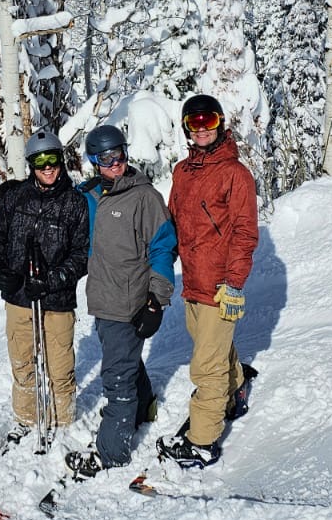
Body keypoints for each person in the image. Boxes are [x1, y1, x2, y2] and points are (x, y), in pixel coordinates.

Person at [66, 123, 177, 478]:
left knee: (116, 377)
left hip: (128, 302)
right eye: (106, 158)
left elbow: (163, 249)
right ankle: (142, 406)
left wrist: (156, 301)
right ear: (93, 161)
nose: (116, 163)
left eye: (120, 155)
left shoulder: (144, 198)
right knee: (124, 360)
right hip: (103, 298)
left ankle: (112, 452)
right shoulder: (93, 196)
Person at [158, 93, 259, 469]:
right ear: (187, 127)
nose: (202, 130)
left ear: (220, 125)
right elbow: (174, 225)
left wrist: (234, 283)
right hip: (193, 286)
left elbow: (245, 233)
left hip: (220, 288)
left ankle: (202, 442)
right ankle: (233, 395)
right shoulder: (182, 172)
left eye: (209, 122)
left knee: (206, 367)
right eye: (195, 123)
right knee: (214, 352)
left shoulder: (236, 174)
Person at [0, 129, 90, 439]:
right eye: (40, 162)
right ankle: (27, 419)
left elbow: (82, 254)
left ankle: (62, 422)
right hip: (18, 297)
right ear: (31, 165)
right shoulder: (15, 197)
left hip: (57, 300)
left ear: (61, 161)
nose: (48, 168)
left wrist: (52, 279)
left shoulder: (74, 204)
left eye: (53, 160)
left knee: (59, 369)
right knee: (23, 365)